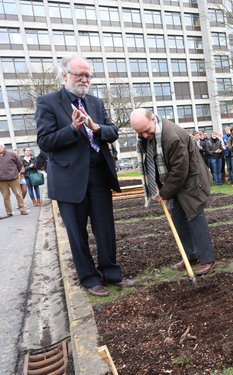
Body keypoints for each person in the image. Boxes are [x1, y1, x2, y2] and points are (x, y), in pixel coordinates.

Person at [36, 55, 133, 297]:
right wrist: (72, 129)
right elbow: (45, 142)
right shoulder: (48, 102)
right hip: (69, 180)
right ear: (65, 76)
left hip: (99, 175)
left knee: (105, 229)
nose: (84, 79)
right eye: (80, 74)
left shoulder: (95, 103)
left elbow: (112, 132)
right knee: (77, 233)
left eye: (88, 75)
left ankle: (111, 274)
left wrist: (96, 127)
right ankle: (90, 280)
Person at [130, 109, 215, 275]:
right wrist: (156, 184)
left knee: (195, 218)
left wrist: (164, 192)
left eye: (147, 131)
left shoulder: (172, 137)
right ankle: (190, 255)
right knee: (178, 219)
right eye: (140, 133)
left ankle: (207, 259)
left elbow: (180, 170)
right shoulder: (150, 135)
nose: (145, 136)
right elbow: (153, 159)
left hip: (192, 181)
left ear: (153, 119)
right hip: (173, 182)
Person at [0, 143, 28, 218]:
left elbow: (19, 164)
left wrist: (19, 173)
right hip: (2, 180)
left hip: (13, 178)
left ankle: (22, 209)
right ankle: (9, 212)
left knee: (18, 194)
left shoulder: (12, 154)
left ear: (3, 147)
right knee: (5, 196)